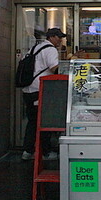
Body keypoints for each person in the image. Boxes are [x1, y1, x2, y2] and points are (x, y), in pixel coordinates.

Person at [21, 27, 65, 161]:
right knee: (45, 121)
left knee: (33, 122)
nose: (60, 40)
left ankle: (28, 151)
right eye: (58, 37)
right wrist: (67, 69)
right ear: (51, 37)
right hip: (39, 90)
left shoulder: (36, 48)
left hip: (28, 90)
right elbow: (54, 69)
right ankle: (45, 153)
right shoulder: (50, 49)